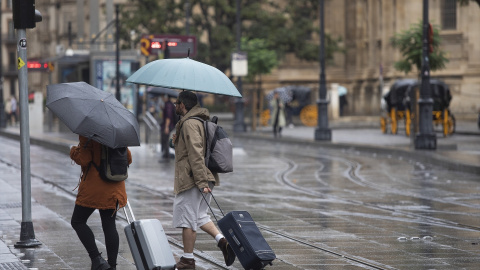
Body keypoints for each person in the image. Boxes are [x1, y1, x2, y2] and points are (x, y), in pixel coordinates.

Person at [170, 91, 235, 269]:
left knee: (187, 219)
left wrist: (201, 182)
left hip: (194, 179)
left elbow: (196, 154)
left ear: (183, 105)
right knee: (199, 216)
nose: (175, 106)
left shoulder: (190, 123)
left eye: (177, 103)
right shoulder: (197, 120)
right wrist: (176, 141)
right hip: (203, 177)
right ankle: (223, 242)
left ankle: (188, 260)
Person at [70, 136, 132, 270]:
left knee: (77, 221)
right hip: (115, 187)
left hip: (95, 187)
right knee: (109, 225)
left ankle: (96, 259)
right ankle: (112, 266)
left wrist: (73, 151)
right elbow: (128, 159)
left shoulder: (88, 133)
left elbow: (83, 159)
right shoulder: (117, 134)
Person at [159, 94, 176, 162]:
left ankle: (167, 156)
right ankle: (166, 154)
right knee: (165, 140)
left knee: (165, 140)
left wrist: (166, 127)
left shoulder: (168, 105)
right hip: (168, 125)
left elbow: (168, 117)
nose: (162, 98)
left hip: (168, 125)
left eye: (162, 96)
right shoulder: (168, 104)